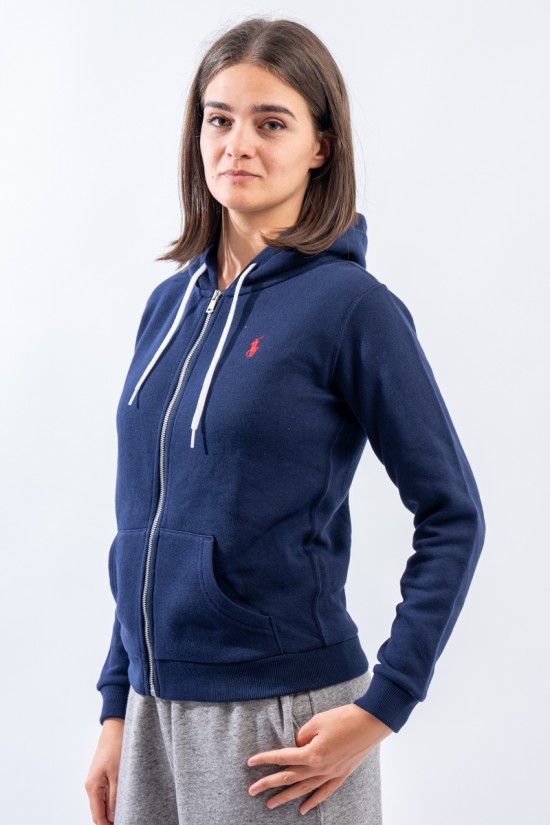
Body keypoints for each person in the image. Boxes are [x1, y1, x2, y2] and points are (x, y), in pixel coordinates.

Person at [84, 16, 486, 825]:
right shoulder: (167, 307)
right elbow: (148, 523)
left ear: (320, 147)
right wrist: (117, 705)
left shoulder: (351, 309)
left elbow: (453, 514)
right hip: (155, 712)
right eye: (219, 119)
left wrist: (384, 705)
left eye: (271, 123)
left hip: (279, 719)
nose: (237, 144)